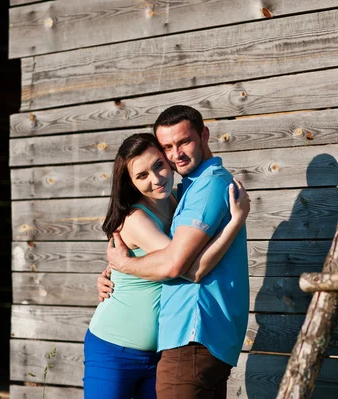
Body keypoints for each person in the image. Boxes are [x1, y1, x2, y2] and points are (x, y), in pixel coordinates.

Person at [85, 132, 250, 399]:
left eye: (158, 165)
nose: (156, 178)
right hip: (114, 349)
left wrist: (121, 268)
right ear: (131, 182)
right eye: (142, 176)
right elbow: (186, 269)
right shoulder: (137, 218)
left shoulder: (176, 200)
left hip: (159, 353)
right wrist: (235, 223)